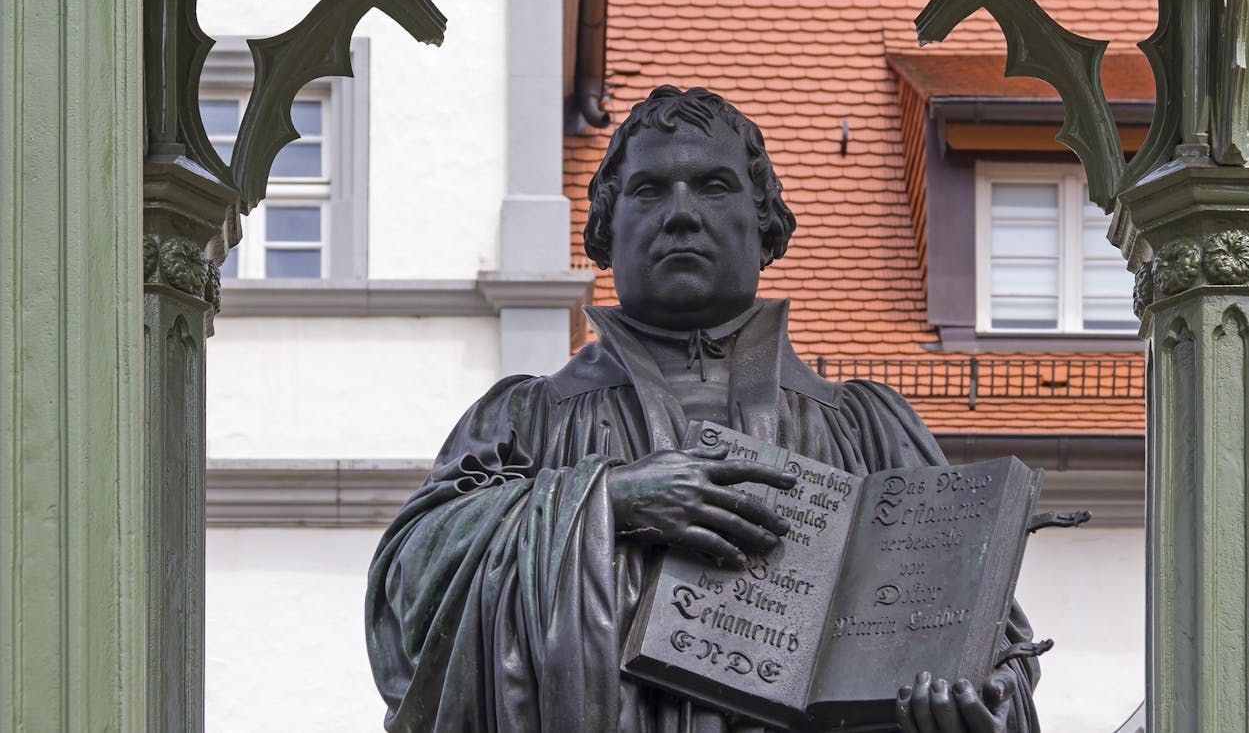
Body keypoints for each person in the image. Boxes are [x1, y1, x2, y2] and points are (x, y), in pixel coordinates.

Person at [366, 85, 1041, 732]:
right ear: (607, 225)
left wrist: (974, 705)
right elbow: (409, 594)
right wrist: (610, 500)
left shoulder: (867, 429)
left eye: (714, 186)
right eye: (649, 189)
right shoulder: (527, 419)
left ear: (764, 220)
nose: (681, 212)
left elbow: (994, 644)